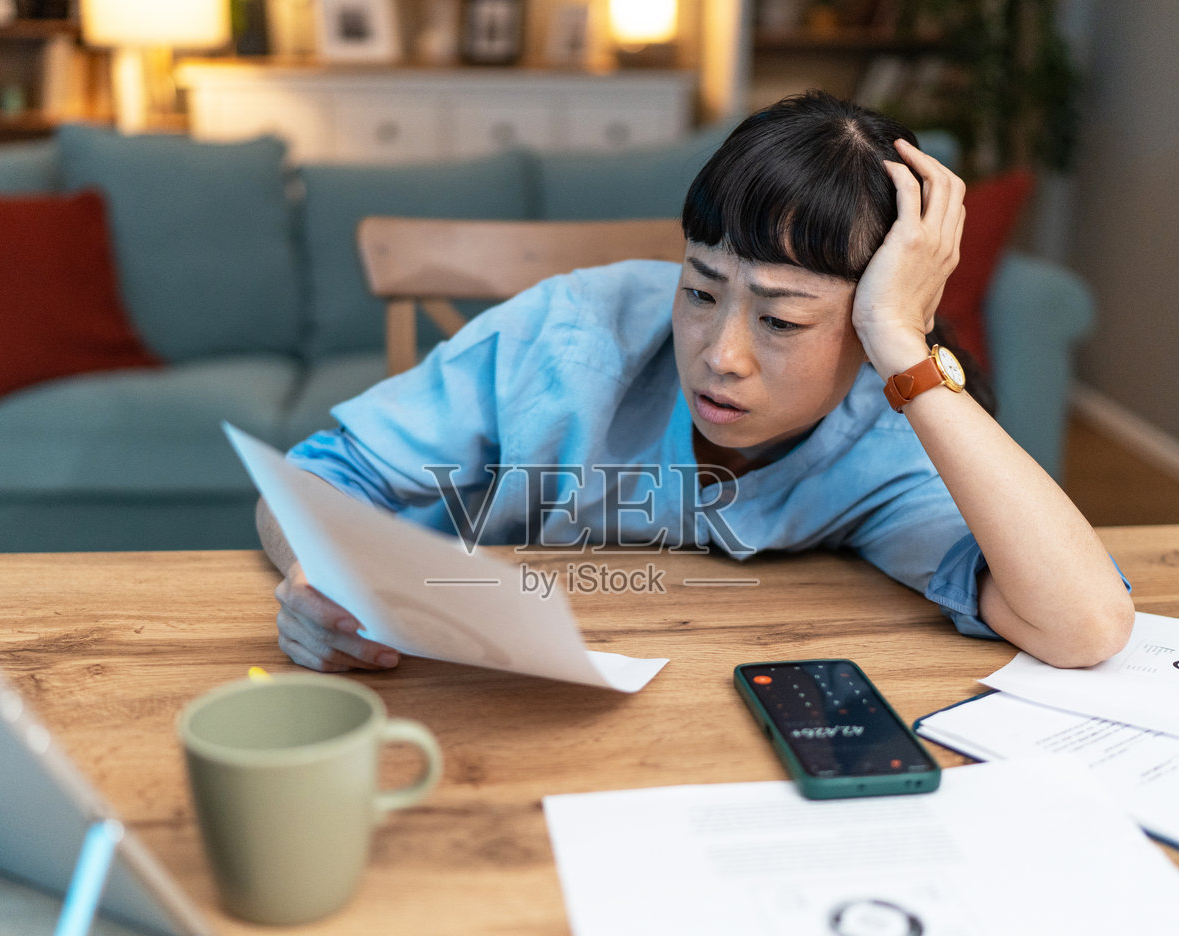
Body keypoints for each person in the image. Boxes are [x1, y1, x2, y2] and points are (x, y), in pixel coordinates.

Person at [258, 91, 1134, 674]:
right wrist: (312, 572)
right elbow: (315, 473)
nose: (721, 353)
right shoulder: (571, 334)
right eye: (700, 290)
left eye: (783, 320)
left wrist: (904, 345)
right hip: (444, 679)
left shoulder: (884, 432)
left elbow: (1084, 624)